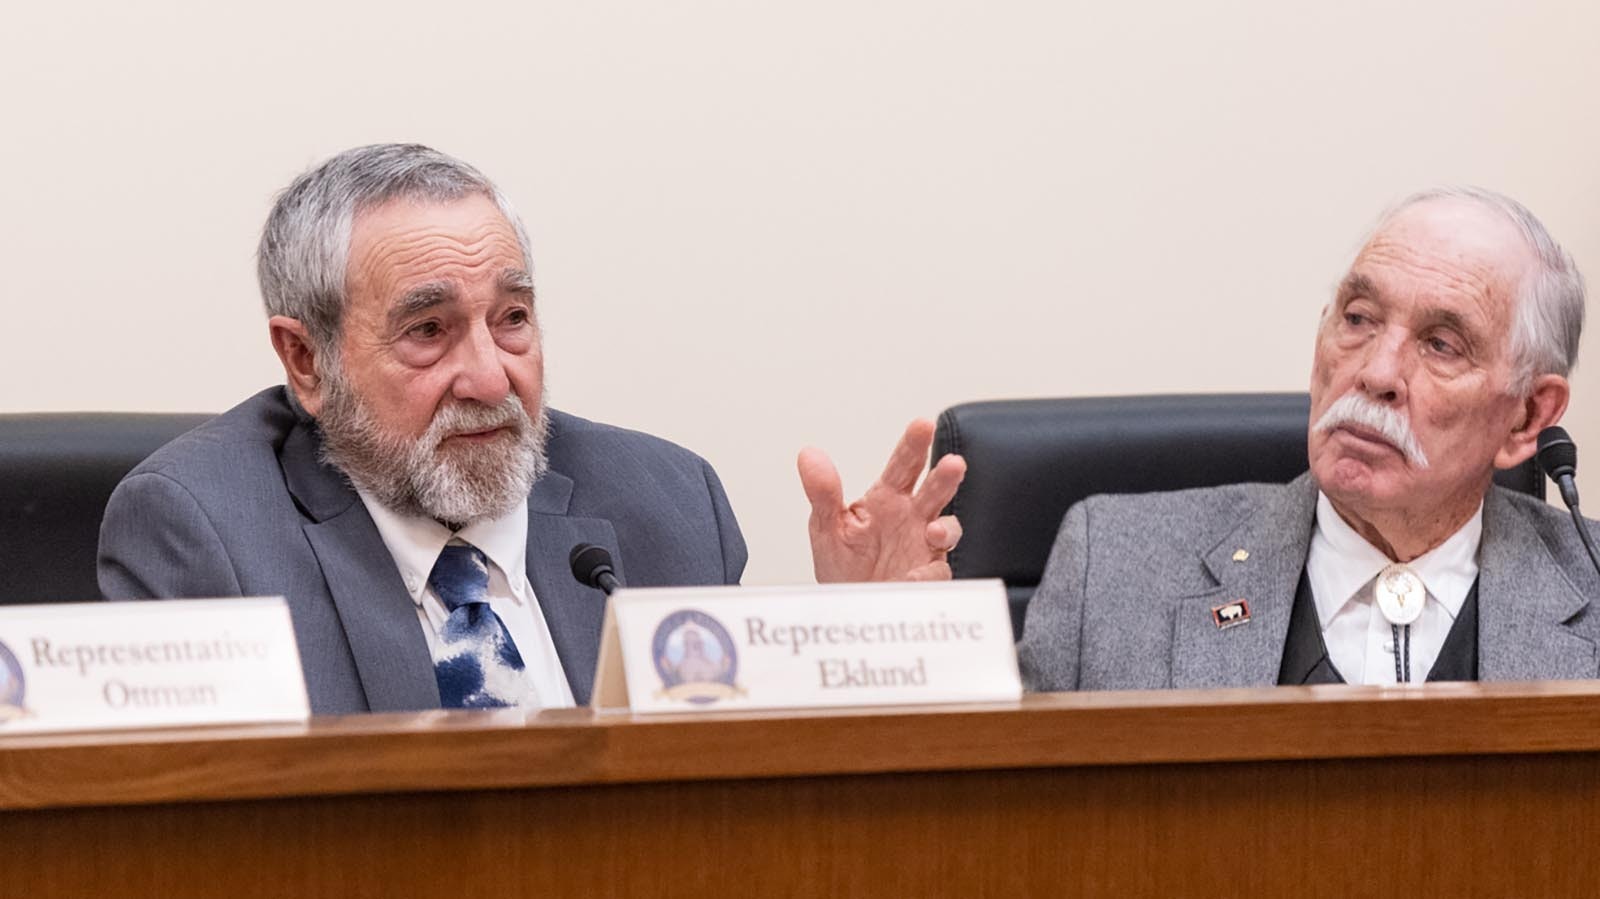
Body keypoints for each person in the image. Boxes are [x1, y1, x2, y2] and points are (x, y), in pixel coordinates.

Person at [98, 143, 965, 714]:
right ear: (307, 362)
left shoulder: (663, 502)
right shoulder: (205, 530)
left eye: (511, 318)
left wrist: (869, 635)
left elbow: (742, 804)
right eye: (428, 331)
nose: (489, 376)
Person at [1020, 187, 1598, 690]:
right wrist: (931, 651)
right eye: (1359, 318)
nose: (1375, 373)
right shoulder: (1115, 571)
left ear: (1527, 417)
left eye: (1441, 344)